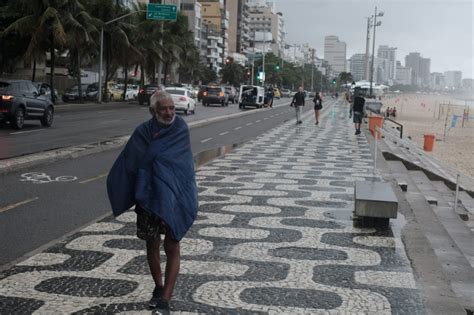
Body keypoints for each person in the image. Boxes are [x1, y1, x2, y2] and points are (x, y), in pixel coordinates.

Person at [107, 90, 198, 311]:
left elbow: (182, 166)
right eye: (163, 109)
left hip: (174, 196)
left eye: (171, 108)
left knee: (172, 244)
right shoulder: (143, 132)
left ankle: (166, 298)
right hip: (148, 198)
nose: (168, 113)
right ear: (153, 111)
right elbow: (130, 163)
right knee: (152, 244)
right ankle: (158, 287)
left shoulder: (180, 129)